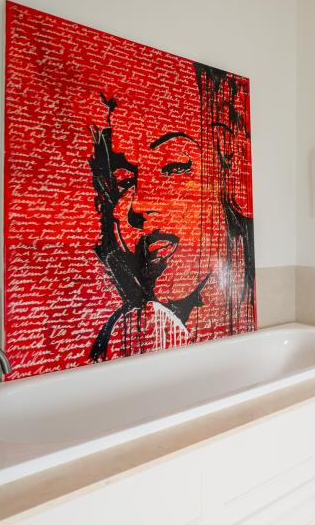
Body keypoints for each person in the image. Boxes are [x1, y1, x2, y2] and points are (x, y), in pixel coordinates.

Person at [86, 63, 255, 362]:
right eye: (125, 180)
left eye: (175, 166)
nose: (138, 206)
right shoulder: (117, 342)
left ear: (230, 161)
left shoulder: (243, 317)